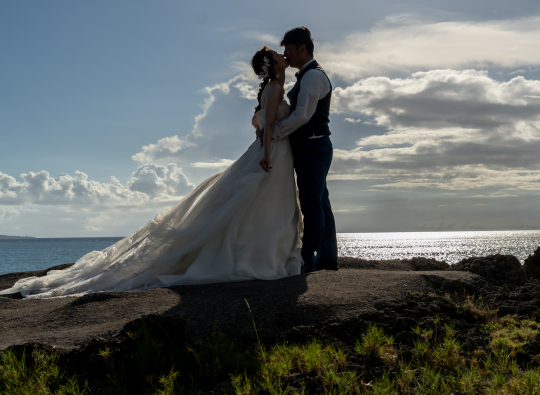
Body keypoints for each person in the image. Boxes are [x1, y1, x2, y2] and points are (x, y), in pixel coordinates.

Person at [0, 47, 302, 299]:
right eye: (277, 54)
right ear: (272, 66)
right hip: (270, 154)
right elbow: (268, 126)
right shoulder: (275, 88)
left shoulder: (273, 88)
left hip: (270, 152)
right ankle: (258, 257)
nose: (282, 55)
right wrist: (264, 154)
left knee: (259, 204)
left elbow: (258, 122)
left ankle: (260, 252)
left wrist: (263, 140)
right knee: (260, 203)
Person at [273, 27, 338, 273]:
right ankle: (328, 258)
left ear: (302, 48)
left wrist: (276, 131)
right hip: (312, 146)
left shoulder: (312, 76)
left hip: (313, 146)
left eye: (288, 49)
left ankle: (308, 259)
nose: (285, 54)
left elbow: (302, 116)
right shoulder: (306, 75)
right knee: (320, 202)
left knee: (312, 204)